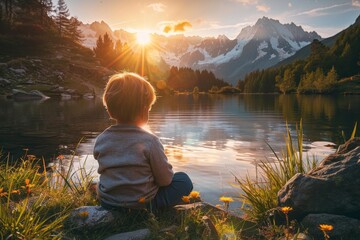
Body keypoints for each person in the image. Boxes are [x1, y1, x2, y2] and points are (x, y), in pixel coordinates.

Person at [94, 72, 193, 211]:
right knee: (183, 180)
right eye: (149, 107)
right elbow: (165, 180)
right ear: (144, 110)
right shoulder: (150, 141)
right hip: (142, 206)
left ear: (110, 109)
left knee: (99, 183)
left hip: (109, 203)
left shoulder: (101, 139)